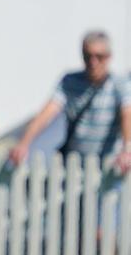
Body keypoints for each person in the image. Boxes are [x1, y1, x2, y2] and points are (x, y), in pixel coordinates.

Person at [9, 31, 131, 172]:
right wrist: (24, 143)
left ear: (109, 57)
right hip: (74, 165)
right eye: (88, 56)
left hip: (107, 166)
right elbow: (47, 112)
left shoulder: (120, 84)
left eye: (99, 57)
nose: (93, 62)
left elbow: (127, 114)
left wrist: (127, 148)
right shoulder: (70, 82)